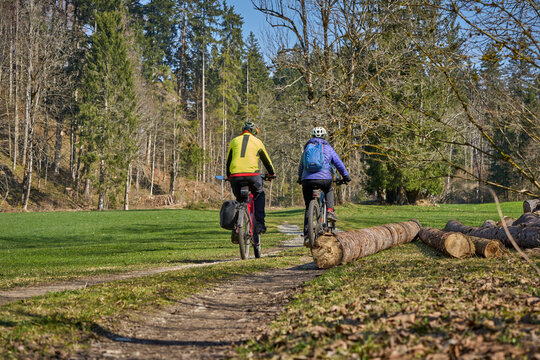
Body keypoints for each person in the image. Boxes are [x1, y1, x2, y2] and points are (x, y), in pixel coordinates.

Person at [297, 126, 350, 243]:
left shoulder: (307, 148)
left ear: (312, 137)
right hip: (324, 179)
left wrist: (300, 177)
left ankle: (307, 235)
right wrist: (346, 176)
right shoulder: (328, 148)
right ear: (324, 136)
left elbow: (301, 165)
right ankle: (330, 210)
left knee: (307, 208)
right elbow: (339, 164)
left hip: (307, 180)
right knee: (329, 190)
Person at [226, 121, 276, 244]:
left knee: (239, 199)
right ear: (254, 132)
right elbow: (267, 161)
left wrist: (229, 176)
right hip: (253, 176)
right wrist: (271, 174)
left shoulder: (234, 141)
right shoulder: (257, 142)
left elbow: (228, 160)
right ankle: (259, 224)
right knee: (259, 194)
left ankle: (237, 227)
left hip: (235, 176)